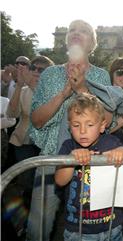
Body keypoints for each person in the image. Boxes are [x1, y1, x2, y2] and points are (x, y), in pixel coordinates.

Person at [27, 19, 123, 241]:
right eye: (72, 30)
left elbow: (107, 121)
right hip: (50, 160)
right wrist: (64, 93)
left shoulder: (100, 76)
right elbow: (36, 120)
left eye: (83, 31)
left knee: (88, 228)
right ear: (65, 41)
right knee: (38, 227)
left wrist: (81, 88)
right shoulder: (50, 74)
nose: (76, 33)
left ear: (92, 43)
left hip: (90, 164)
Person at [55, 93, 123, 241]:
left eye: (89, 125)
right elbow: (60, 180)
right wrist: (72, 159)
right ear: (70, 126)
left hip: (112, 226)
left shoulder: (111, 142)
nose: (82, 131)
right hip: (78, 229)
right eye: (76, 125)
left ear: (102, 126)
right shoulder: (68, 146)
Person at [5, 56, 54, 234]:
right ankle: (23, 225)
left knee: (40, 186)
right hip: (24, 141)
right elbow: (12, 113)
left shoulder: (52, 92)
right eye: (33, 67)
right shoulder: (24, 90)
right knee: (26, 183)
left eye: (41, 70)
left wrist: (35, 88)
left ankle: (37, 226)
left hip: (45, 144)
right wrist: (18, 85)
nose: (35, 72)